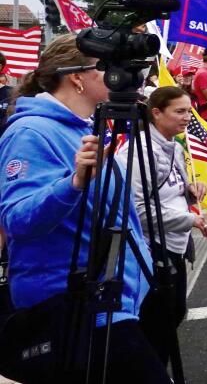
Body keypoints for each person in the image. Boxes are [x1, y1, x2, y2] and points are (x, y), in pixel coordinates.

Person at [0, 34, 170, 382]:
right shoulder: (31, 132)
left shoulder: (87, 129)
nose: (118, 77)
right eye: (105, 68)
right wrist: (74, 182)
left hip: (111, 302)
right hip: (72, 306)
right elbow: (17, 219)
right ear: (76, 77)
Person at [115, 86, 207, 365]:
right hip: (150, 249)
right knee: (157, 321)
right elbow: (136, 210)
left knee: (173, 313)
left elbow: (166, 191)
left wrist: (189, 190)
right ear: (156, 113)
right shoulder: (138, 152)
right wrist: (189, 219)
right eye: (179, 111)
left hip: (173, 245)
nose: (186, 118)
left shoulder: (173, 147)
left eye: (189, 112)